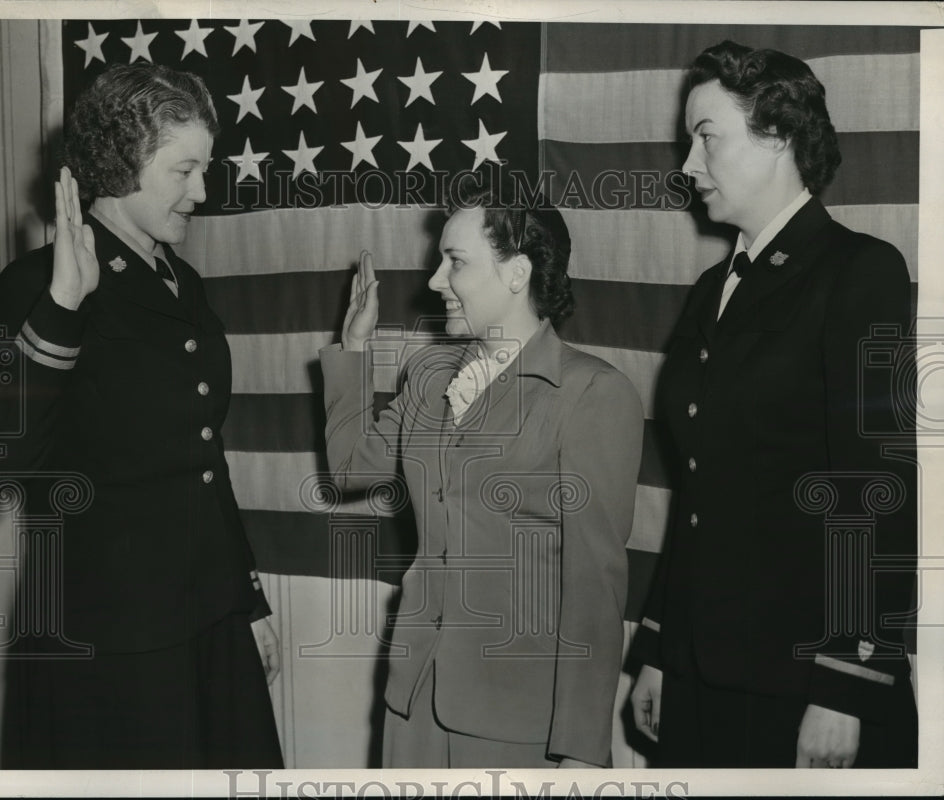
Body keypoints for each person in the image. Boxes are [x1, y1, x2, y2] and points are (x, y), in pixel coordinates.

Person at [629, 41, 917, 768]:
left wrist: (848, 682)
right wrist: (661, 648)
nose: (687, 168)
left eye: (705, 138)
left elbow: (874, 487)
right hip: (703, 668)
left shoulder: (861, 272)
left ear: (779, 136)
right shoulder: (712, 292)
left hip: (801, 682)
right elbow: (701, 491)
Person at [0, 63, 283, 769]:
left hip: (205, 620)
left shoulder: (184, 283)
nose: (202, 193)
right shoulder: (34, 285)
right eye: (184, 170)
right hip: (107, 643)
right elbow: (2, 465)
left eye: (204, 169)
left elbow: (203, 460)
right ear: (121, 163)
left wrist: (246, 600)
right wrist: (63, 305)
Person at [320, 168, 644, 768]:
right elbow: (346, 469)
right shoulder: (429, 376)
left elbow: (595, 589)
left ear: (517, 273)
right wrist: (354, 350)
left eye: (455, 262)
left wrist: (580, 751)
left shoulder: (593, 393)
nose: (435, 279)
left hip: (517, 724)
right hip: (412, 703)